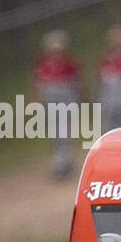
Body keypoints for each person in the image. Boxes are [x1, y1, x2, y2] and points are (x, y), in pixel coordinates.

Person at [32, 29, 83, 177]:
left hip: (66, 103)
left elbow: (77, 84)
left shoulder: (69, 64)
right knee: (55, 135)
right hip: (49, 104)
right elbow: (36, 84)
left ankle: (64, 164)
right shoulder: (42, 64)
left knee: (64, 133)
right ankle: (61, 162)